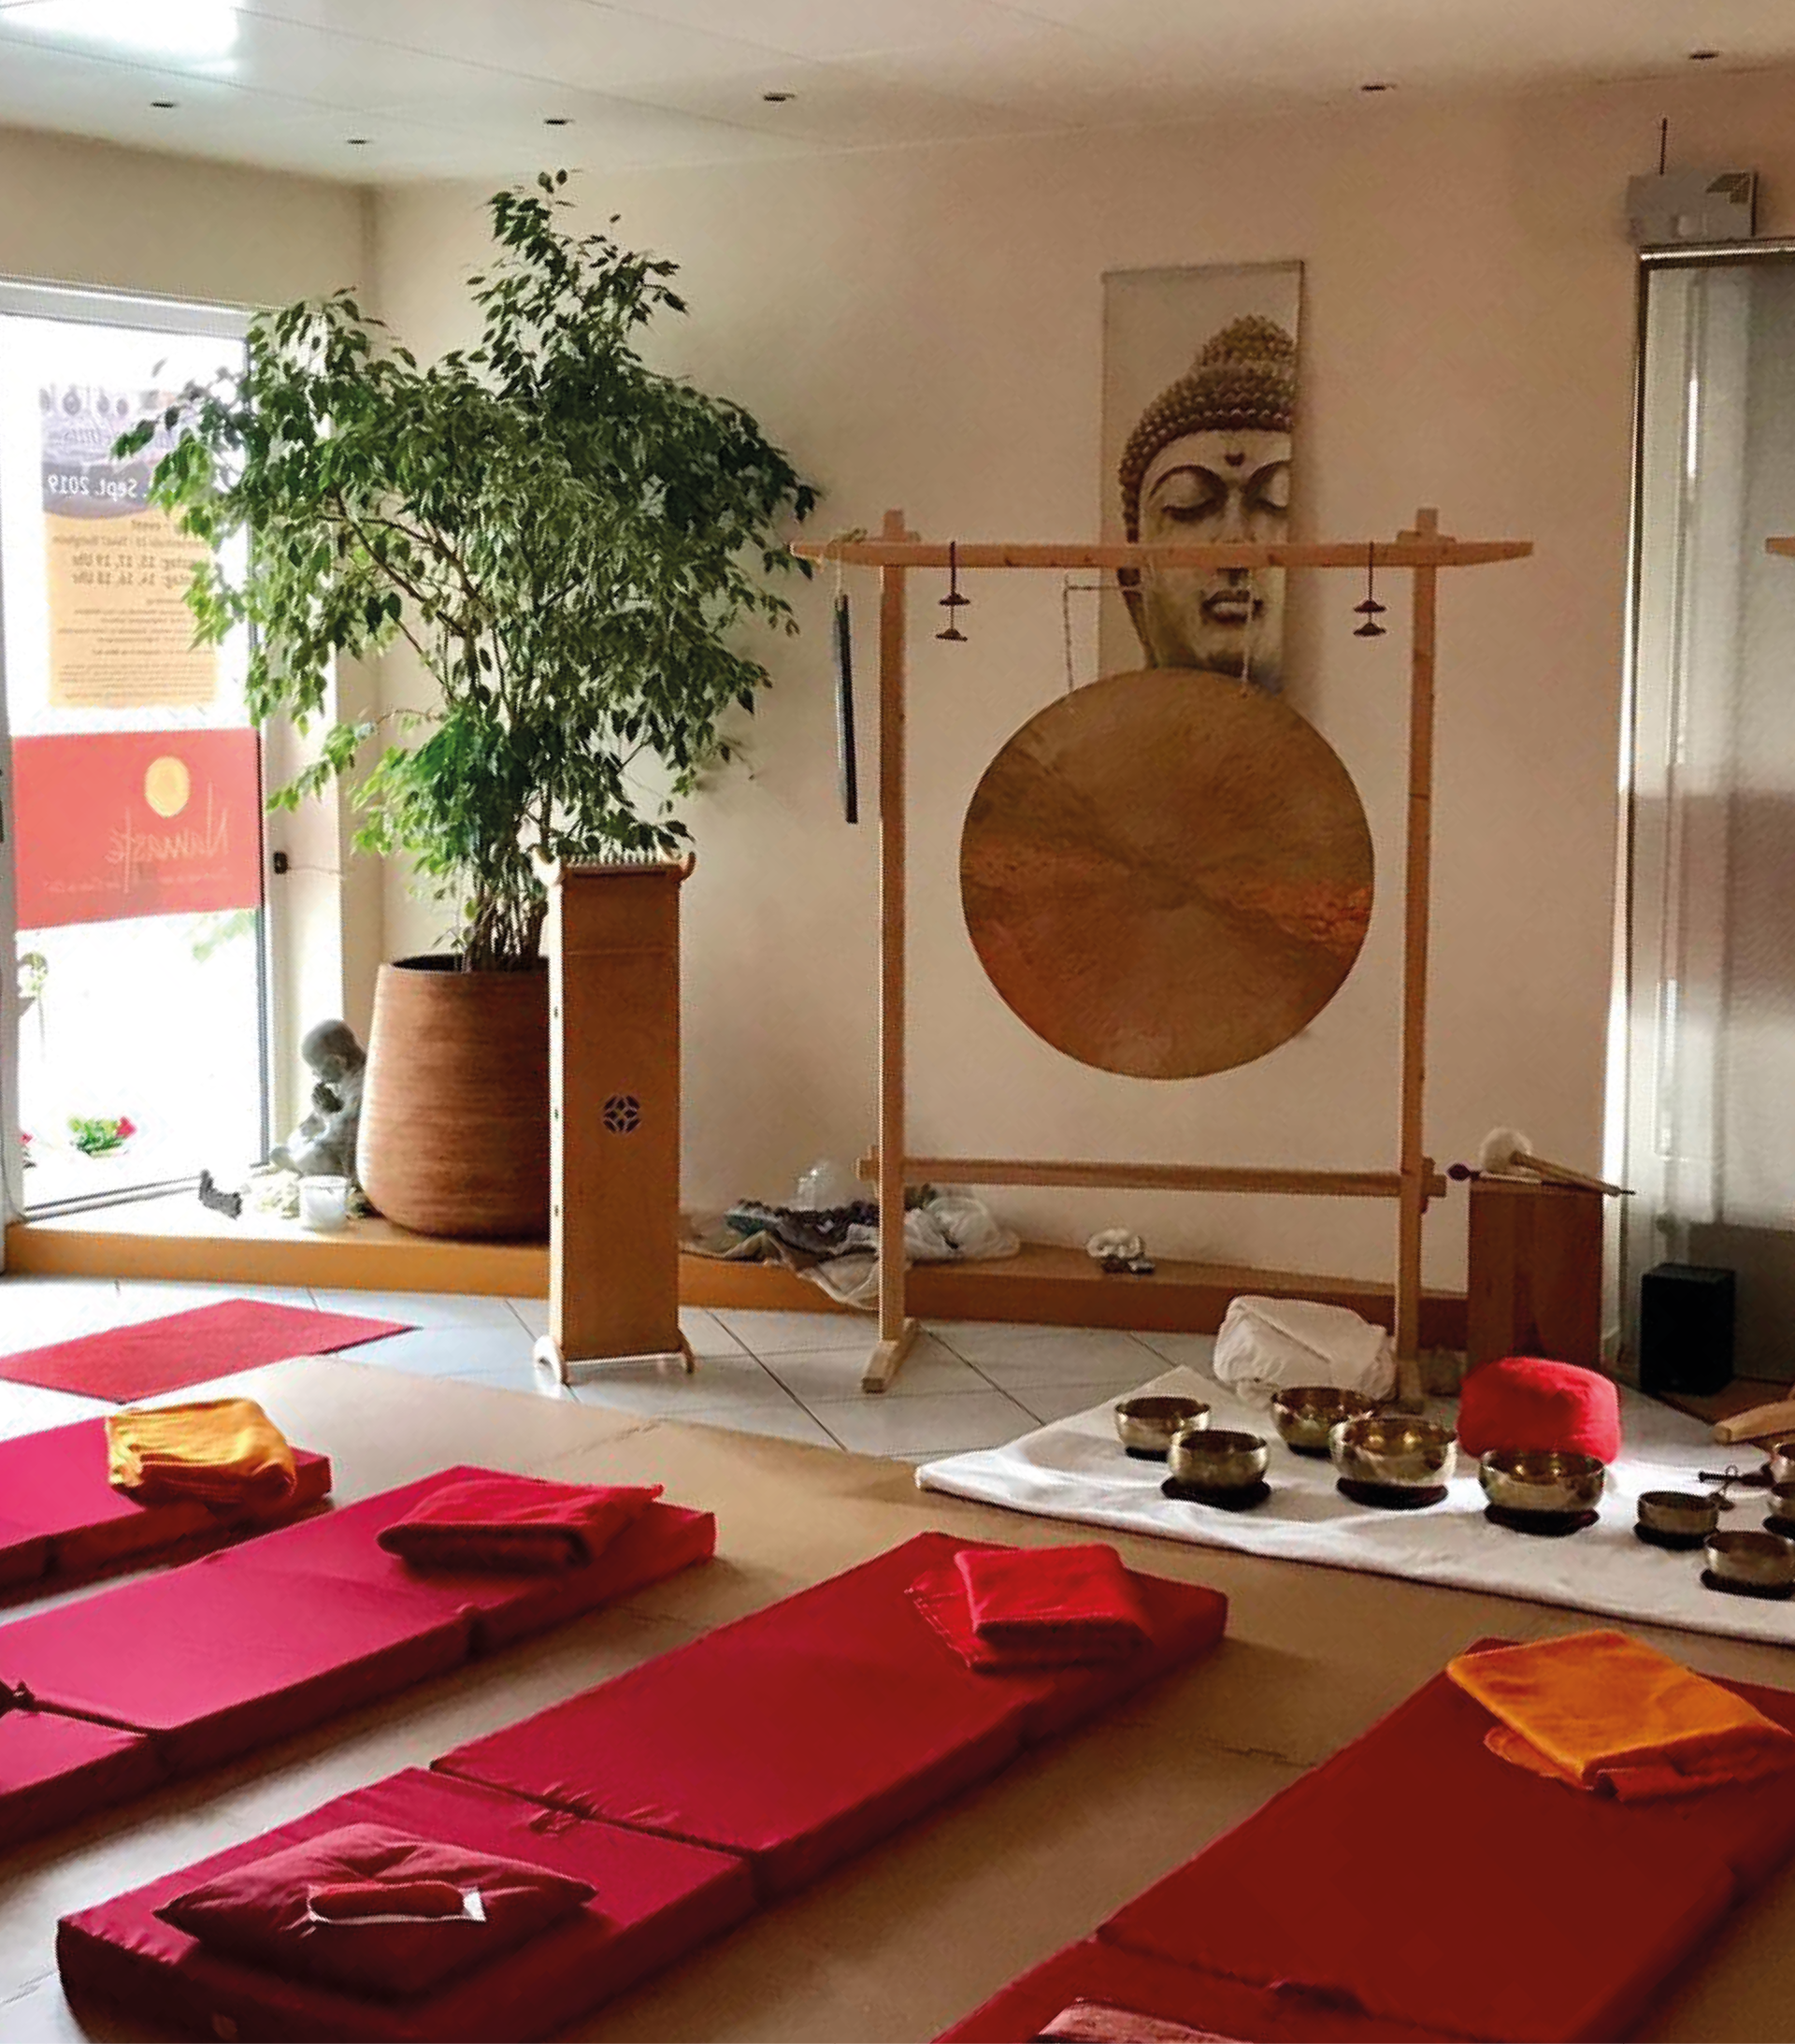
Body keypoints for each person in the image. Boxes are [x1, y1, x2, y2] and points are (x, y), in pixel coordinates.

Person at [1117, 312, 1297, 690]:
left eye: (1277, 503)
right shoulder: (1084, 729)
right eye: (1189, 505)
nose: (1234, 547)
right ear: (1134, 586)